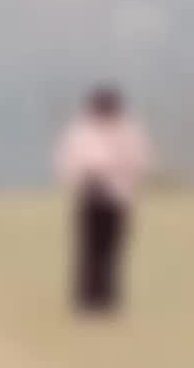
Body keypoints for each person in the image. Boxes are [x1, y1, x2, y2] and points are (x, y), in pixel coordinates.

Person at [55, 87, 152, 313]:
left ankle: (109, 299)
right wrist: (81, 180)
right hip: (88, 196)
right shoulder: (80, 131)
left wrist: (121, 175)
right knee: (88, 248)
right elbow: (67, 161)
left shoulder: (129, 131)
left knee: (112, 250)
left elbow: (141, 161)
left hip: (118, 196)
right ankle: (86, 299)